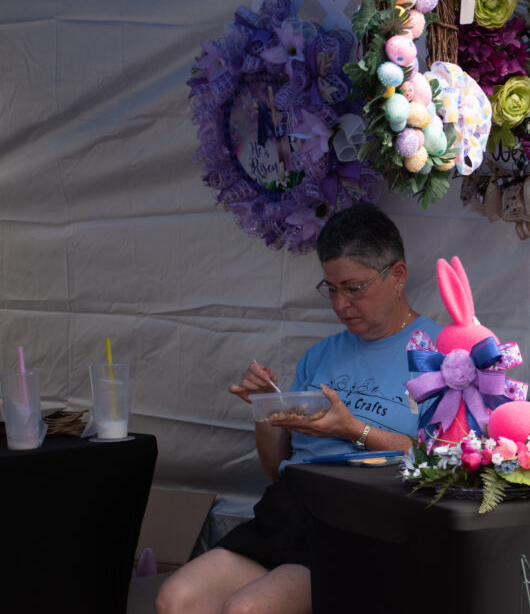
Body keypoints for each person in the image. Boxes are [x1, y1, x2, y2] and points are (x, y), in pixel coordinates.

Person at [156, 202, 440, 614]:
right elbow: (276, 468)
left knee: (248, 609)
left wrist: (355, 431)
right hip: (291, 509)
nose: (340, 304)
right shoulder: (320, 354)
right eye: (332, 289)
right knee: (176, 599)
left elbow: (447, 465)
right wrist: (266, 408)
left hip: (364, 520)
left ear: (397, 275)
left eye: (354, 288)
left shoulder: (443, 353)